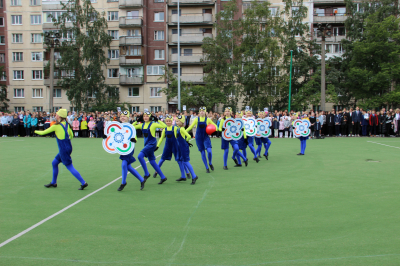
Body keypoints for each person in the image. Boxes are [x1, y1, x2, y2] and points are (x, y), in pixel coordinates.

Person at [34, 109, 88, 190]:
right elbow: (71, 135)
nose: (55, 115)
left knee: (70, 166)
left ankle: (83, 182)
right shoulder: (66, 124)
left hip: (63, 149)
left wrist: (35, 131)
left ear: (59, 116)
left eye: (56, 114)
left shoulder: (56, 126)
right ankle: (53, 182)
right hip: (68, 147)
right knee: (54, 163)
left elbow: (43, 132)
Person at [105, 110, 145, 191]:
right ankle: (141, 179)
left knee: (124, 165)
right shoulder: (118, 126)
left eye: (124, 116)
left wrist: (134, 139)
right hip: (122, 148)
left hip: (129, 148)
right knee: (128, 166)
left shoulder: (130, 126)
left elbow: (134, 137)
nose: (122, 118)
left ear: (128, 117)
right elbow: (113, 136)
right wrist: (106, 137)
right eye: (121, 116)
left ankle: (123, 182)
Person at [132, 111, 168, 184]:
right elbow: (131, 127)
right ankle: (163, 177)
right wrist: (136, 121)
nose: (145, 117)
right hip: (147, 144)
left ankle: (146, 174)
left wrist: (157, 120)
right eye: (144, 116)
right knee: (152, 161)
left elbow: (165, 126)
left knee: (140, 156)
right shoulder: (141, 125)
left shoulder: (153, 124)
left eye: (147, 116)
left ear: (150, 117)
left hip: (152, 144)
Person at [153, 114, 186, 179]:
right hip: (167, 146)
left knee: (179, 160)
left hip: (175, 146)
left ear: (172, 122)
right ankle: (156, 171)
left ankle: (184, 175)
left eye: (169, 121)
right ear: (165, 121)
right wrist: (157, 146)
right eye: (167, 121)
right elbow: (161, 138)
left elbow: (182, 133)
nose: (168, 122)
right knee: (162, 159)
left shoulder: (175, 128)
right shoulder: (164, 129)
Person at [186, 107, 217, 173]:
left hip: (206, 137)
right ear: (199, 112)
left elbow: (215, 125)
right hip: (198, 138)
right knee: (202, 153)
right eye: (200, 111)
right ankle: (207, 167)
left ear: (205, 112)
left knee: (209, 151)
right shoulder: (196, 119)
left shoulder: (208, 119)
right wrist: (183, 131)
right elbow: (190, 127)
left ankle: (210, 163)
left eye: (203, 111)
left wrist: (216, 130)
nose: (202, 112)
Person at [175, 115, 199, 184]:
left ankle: (194, 176)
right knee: (181, 161)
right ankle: (183, 176)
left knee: (185, 161)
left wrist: (186, 141)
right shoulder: (178, 128)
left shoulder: (182, 129)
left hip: (183, 148)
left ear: (182, 122)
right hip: (181, 147)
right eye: (176, 121)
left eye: (177, 121)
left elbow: (189, 136)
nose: (176, 122)